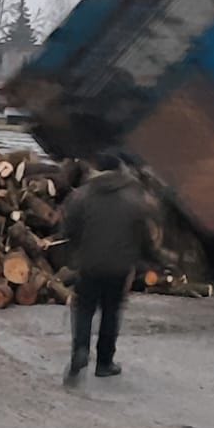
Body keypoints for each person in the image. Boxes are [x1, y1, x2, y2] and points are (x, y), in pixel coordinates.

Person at [60, 152, 158, 386]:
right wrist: (148, 259)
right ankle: (104, 363)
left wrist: (76, 252)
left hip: (90, 263)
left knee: (84, 308)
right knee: (111, 312)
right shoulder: (135, 198)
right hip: (120, 267)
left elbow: (68, 228)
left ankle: (80, 351)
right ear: (120, 170)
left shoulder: (82, 195)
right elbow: (145, 236)